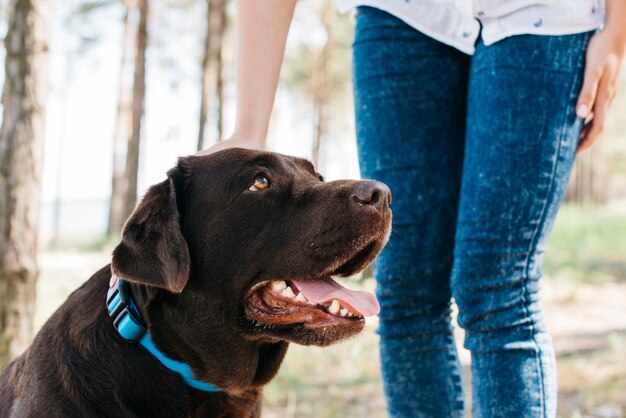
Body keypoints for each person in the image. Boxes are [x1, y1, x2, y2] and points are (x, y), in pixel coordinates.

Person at [203, 1, 626, 417]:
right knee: (406, 290)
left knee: (497, 290)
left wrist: (616, 31)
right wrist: (249, 127)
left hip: (546, 18)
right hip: (404, 15)